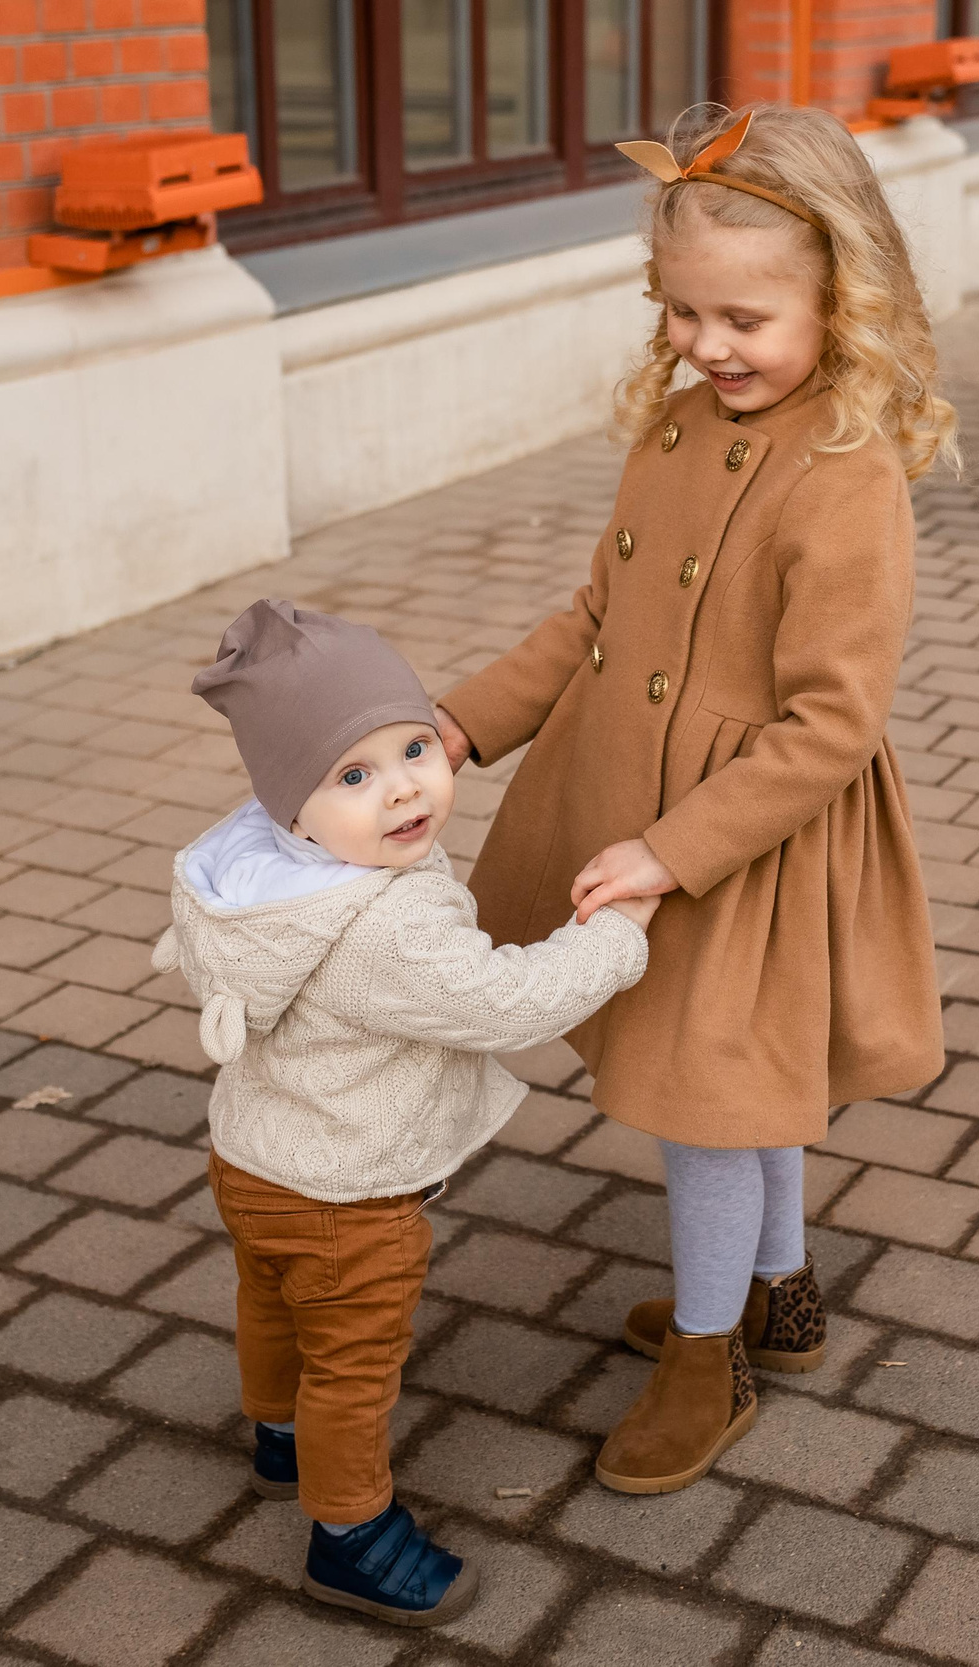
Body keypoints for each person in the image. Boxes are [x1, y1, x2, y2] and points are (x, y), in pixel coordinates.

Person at [432, 102, 953, 1495]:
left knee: (712, 1095)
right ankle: (776, 1294)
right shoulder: (671, 428)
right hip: (626, 797)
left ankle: (707, 1356)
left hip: (743, 840)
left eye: (742, 319)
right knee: (733, 1083)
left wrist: (674, 850)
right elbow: (593, 617)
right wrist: (459, 723)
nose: (707, 346)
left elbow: (833, 723)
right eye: (681, 313)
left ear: (838, 298)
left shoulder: (844, 471)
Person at [153, 599, 656, 1623]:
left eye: (414, 749)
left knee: (271, 1304)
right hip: (349, 1196)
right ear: (294, 802)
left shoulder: (259, 877)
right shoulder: (381, 926)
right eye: (353, 775)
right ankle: (351, 1539)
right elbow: (510, 1002)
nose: (401, 792)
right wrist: (618, 935)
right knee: (353, 1363)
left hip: (252, 1159)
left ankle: (278, 1441)